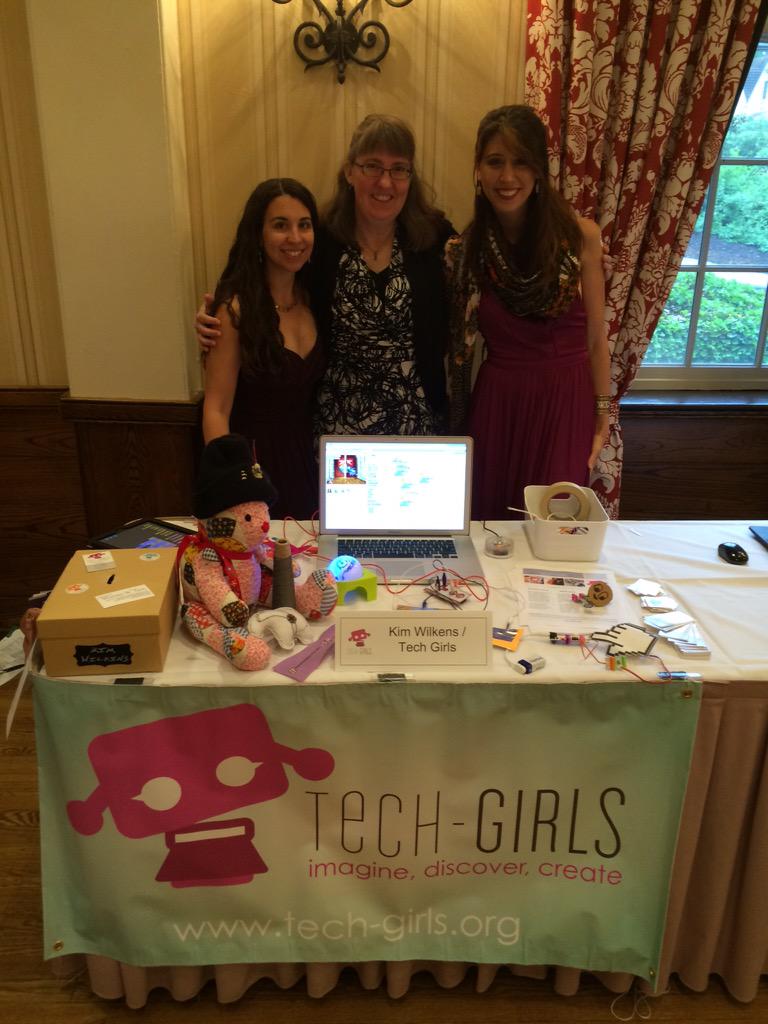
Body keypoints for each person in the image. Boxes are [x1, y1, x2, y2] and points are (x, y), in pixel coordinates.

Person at [197, 115, 455, 447]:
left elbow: (473, 305)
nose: (386, 182)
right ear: (349, 172)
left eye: (399, 169)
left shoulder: (436, 241)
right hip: (334, 429)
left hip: (418, 424)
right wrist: (214, 320)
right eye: (372, 166)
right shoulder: (320, 242)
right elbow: (262, 289)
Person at [446, 105, 611, 521]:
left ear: (539, 169)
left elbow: (595, 339)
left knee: (554, 530)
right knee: (491, 528)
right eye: (495, 162)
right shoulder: (467, 250)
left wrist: (604, 412)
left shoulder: (580, 236)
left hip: (565, 400)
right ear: (478, 169)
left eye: (521, 162)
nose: (507, 177)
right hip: (499, 405)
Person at [201, 178, 324, 520]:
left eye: (304, 225)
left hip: (305, 458)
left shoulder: (314, 299)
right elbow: (216, 409)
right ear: (258, 233)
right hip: (253, 462)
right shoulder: (235, 309)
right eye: (280, 226)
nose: (295, 238)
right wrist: (234, 487)